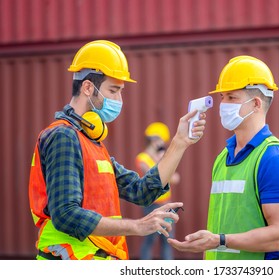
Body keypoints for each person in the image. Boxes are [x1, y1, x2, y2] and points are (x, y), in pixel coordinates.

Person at [28, 40, 206, 260]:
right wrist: (136, 226)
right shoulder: (63, 137)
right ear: (87, 87)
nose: (119, 100)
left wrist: (179, 142)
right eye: (113, 90)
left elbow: (141, 191)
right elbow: (65, 215)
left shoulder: (91, 142)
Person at [168, 55, 279, 260]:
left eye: (232, 98)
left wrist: (219, 240)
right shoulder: (223, 157)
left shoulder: (274, 159)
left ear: (256, 104)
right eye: (222, 97)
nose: (223, 104)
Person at [136, 122, 181, 260]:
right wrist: (161, 158)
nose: (163, 144)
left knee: (168, 239)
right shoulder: (142, 158)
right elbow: (157, 177)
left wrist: (162, 159)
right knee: (150, 239)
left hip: (167, 205)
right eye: (161, 141)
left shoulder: (162, 159)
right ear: (154, 140)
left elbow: (175, 178)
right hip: (153, 206)